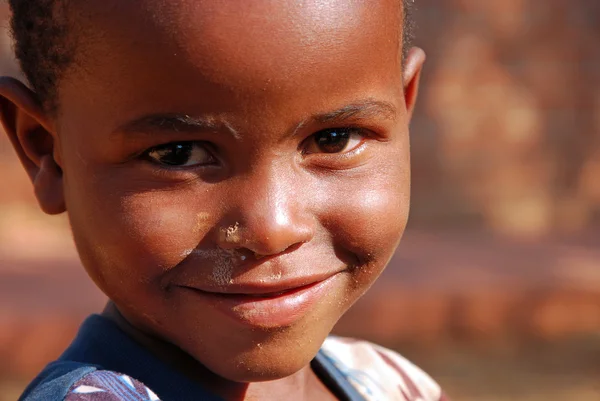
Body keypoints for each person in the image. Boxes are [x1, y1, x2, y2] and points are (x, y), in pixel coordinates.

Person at [1, 0, 447, 400]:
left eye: (333, 139)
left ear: (404, 107)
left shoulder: (393, 384)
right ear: (46, 152)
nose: (273, 229)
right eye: (178, 155)